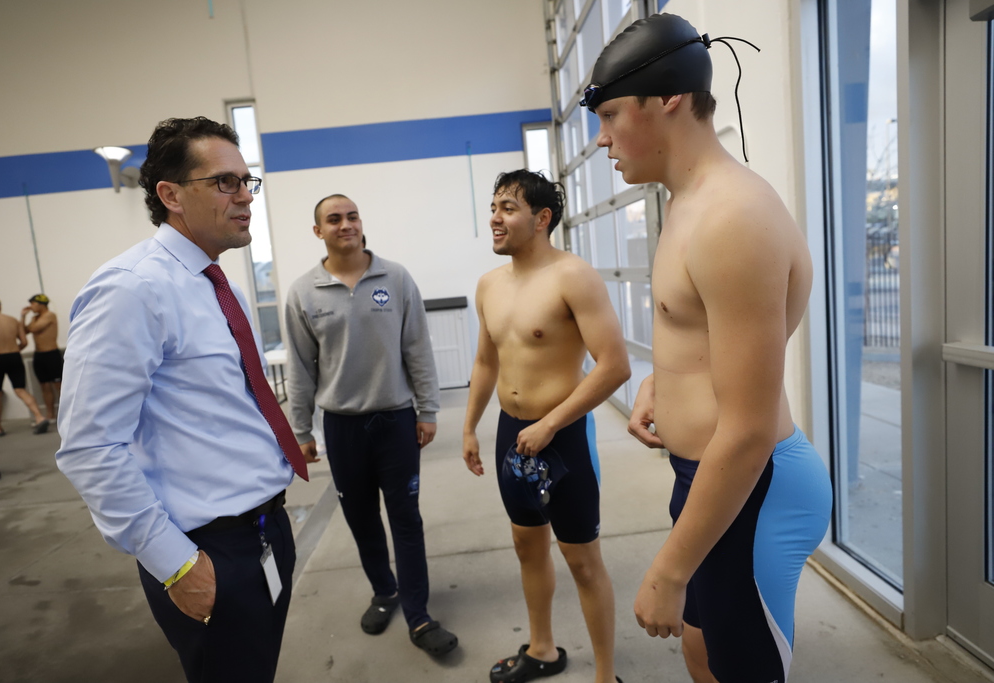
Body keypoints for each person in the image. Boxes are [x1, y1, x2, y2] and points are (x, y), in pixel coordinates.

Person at [583, 14, 833, 683]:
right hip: (709, 476)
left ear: (668, 99)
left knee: (740, 667)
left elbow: (748, 428)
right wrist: (661, 384)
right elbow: (720, 341)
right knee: (701, 650)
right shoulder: (686, 201)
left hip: (754, 486)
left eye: (609, 115)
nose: (602, 139)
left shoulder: (732, 218)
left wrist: (667, 567)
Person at [55, 116, 309, 683]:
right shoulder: (131, 288)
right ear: (170, 195)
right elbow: (91, 447)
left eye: (248, 182)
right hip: (207, 549)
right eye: (224, 183)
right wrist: (177, 565)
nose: (245, 197)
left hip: (265, 529)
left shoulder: (219, 283)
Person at [462, 170, 631, 683]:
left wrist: (552, 424)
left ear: (541, 219)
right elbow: (486, 363)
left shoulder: (573, 277)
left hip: (563, 439)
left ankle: (605, 676)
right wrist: (470, 426)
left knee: (582, 560)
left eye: (508, 208)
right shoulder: (488, 285)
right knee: (526, 545)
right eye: (493, 206)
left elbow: (614, 366)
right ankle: (542, 649)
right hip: (511, 436)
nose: (495, 217)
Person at [285, 194, 458, 657]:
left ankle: (419, 615)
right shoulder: (304, 292)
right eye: (334, 219)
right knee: (362, 520)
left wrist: (427, 409)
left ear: (362, 223)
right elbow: (301, 369)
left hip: (396, 423)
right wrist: (300, 432)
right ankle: (385, 592)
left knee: (406, 518)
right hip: (342, 429)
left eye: (352, 215)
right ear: (318, 231)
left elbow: (417, 348)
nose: (346, 224)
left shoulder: (395, 277)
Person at [0, 294, 49, 436]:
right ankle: (39, 416)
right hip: (14, 356)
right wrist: (13, 352)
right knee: (20, 389)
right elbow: (24, 342)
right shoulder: (12, 320)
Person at [21, 294, 62, 420]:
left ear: (41, 304)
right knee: (44, 386)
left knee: (59, 386)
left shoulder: (49, 315)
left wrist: (28, 320)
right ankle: (50, 415)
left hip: (51, 354)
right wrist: (22, 317)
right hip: (39, 356)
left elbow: (34, 329)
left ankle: (69, 414)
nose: (31, 306)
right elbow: (23, 331)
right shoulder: (35, 318)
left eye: (33, 303)